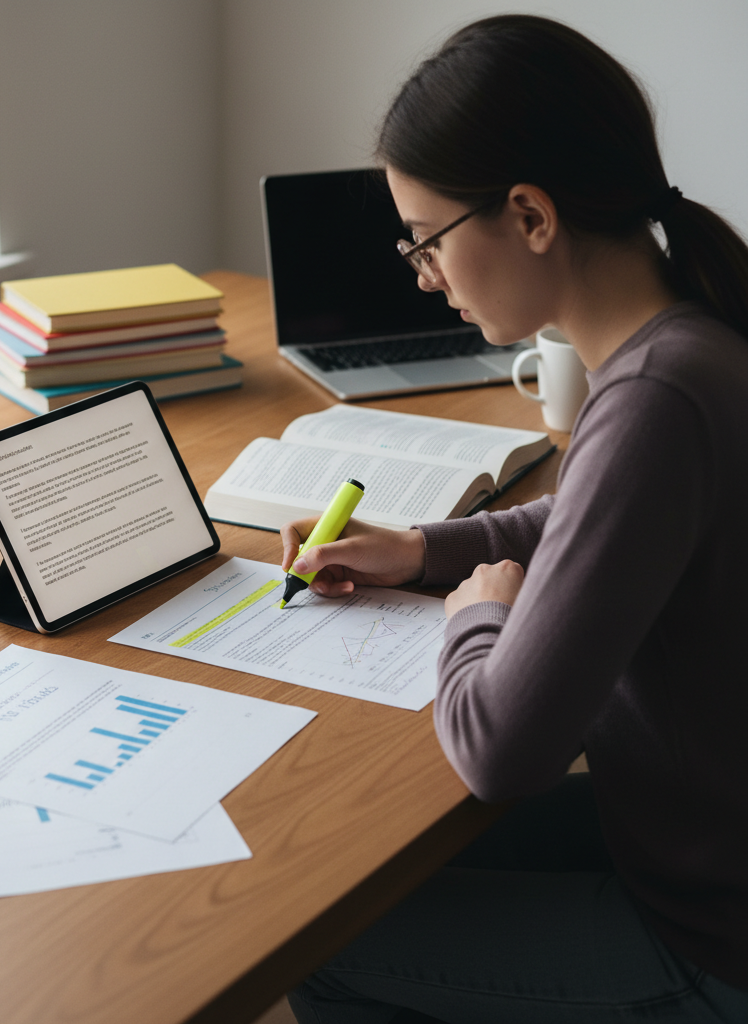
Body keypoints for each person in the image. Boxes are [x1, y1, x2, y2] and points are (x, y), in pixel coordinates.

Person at [281, 15, 748, 1024]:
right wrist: (418, 551)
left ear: (530, 215)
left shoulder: (654, 400)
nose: (422, 274)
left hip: (708, 937)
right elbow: (590, 523)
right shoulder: (691, 338)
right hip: (695, 841)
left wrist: (472, 620)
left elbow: (502, 750)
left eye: (427, 240)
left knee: (317, 942)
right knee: (350, 870)